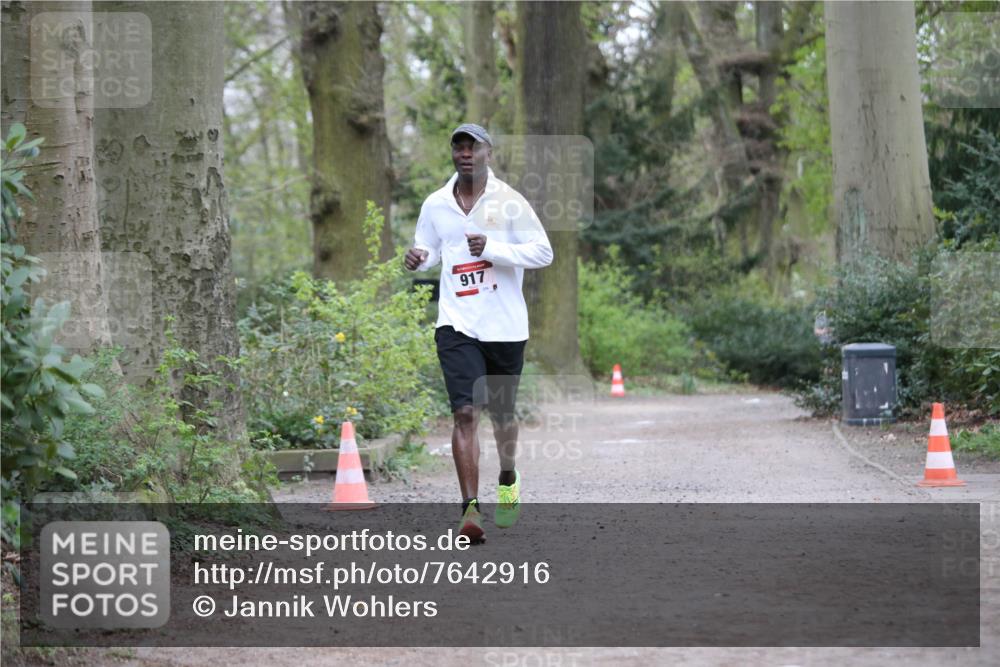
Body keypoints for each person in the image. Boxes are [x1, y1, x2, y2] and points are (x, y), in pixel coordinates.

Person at [404, 124, 553, 543]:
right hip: (457, 323)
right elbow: (430, 248)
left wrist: (491, 248)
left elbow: (543, 252)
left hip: (504, 325)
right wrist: (419, 258)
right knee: (465, 412)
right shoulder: (435, 204)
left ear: (489, 153)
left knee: (502, 416)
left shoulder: (510, 202)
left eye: (474, 147)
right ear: (453, 154)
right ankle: (469, 509)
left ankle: (507, 476)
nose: (466, 153)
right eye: (459, 147)